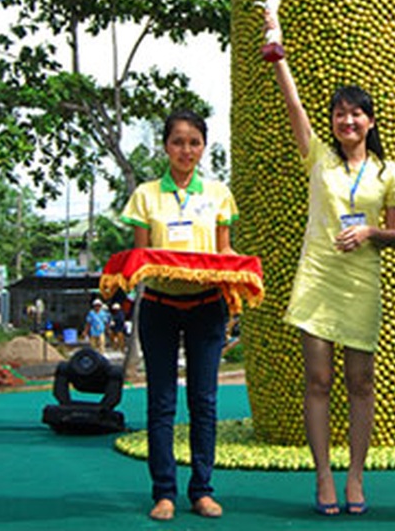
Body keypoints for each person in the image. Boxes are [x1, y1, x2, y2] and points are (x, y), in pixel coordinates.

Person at [262, 7, 395, 516]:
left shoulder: (388, 172)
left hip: (362, 281)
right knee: (318, 380)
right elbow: (293, 102)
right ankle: (324, 477)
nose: (346, 121)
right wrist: (276, 47)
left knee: (361, 383)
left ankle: (355, 477)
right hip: (319, 278)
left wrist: (369, 231)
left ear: (370, 121)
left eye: (356, 114)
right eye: (339, 114)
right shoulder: (319, 159)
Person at [121, 109, 238, 522]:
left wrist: (239, 275)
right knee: (162, 402)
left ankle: (202, 490)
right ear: (165, 145)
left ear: (204, 147)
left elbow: (224, 253)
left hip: (207, 307)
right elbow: (139, 259)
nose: (186, 150)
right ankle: (164, 492)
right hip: (159, 309)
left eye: (194, 142)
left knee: (204, 402)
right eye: (178, 141)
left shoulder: (219, 194)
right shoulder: (146, 196)